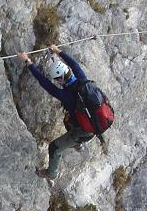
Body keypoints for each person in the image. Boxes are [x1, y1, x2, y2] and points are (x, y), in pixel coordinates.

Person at [17, 45, 95, 181]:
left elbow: (44, 82)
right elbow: (74, 64)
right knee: (68, 119)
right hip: (94, 119)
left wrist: (27, 62)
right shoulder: (82, 80)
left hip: (85, 130)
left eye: (57, 80)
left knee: (54, 147)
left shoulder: (65, 95)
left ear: (60, 79)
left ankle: (51, 173)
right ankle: (77, 143)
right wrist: (58, 51)